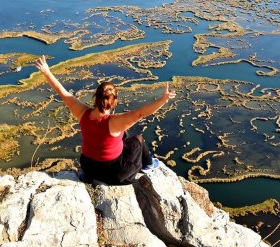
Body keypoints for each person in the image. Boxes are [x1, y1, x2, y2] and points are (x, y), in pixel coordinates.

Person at [34, 55, 176, 184]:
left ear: (95, 97)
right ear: (114, 102)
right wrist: (163, 100)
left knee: (124, 135)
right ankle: (149, 164)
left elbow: (62, 92)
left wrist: (46, 71)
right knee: (137, 140)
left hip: (88, 168)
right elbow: (140, 113)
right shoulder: (114, 122)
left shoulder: (82, 112)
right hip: (112, 173)